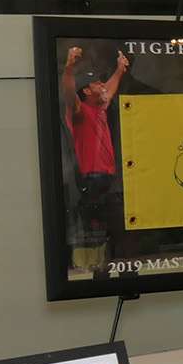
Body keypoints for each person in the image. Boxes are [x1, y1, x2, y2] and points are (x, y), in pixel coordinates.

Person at [62, 45, 130, 253]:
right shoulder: (79, 111)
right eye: (97, 83)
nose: (102, 85)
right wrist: (69, 68)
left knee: (113, 232)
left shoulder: (99, 108)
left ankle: (112, 262)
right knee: (97, 234)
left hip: (107, 179)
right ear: (86, 91)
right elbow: (69, 93)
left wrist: (119, 69)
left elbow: (109, 90)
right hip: (92, 180)